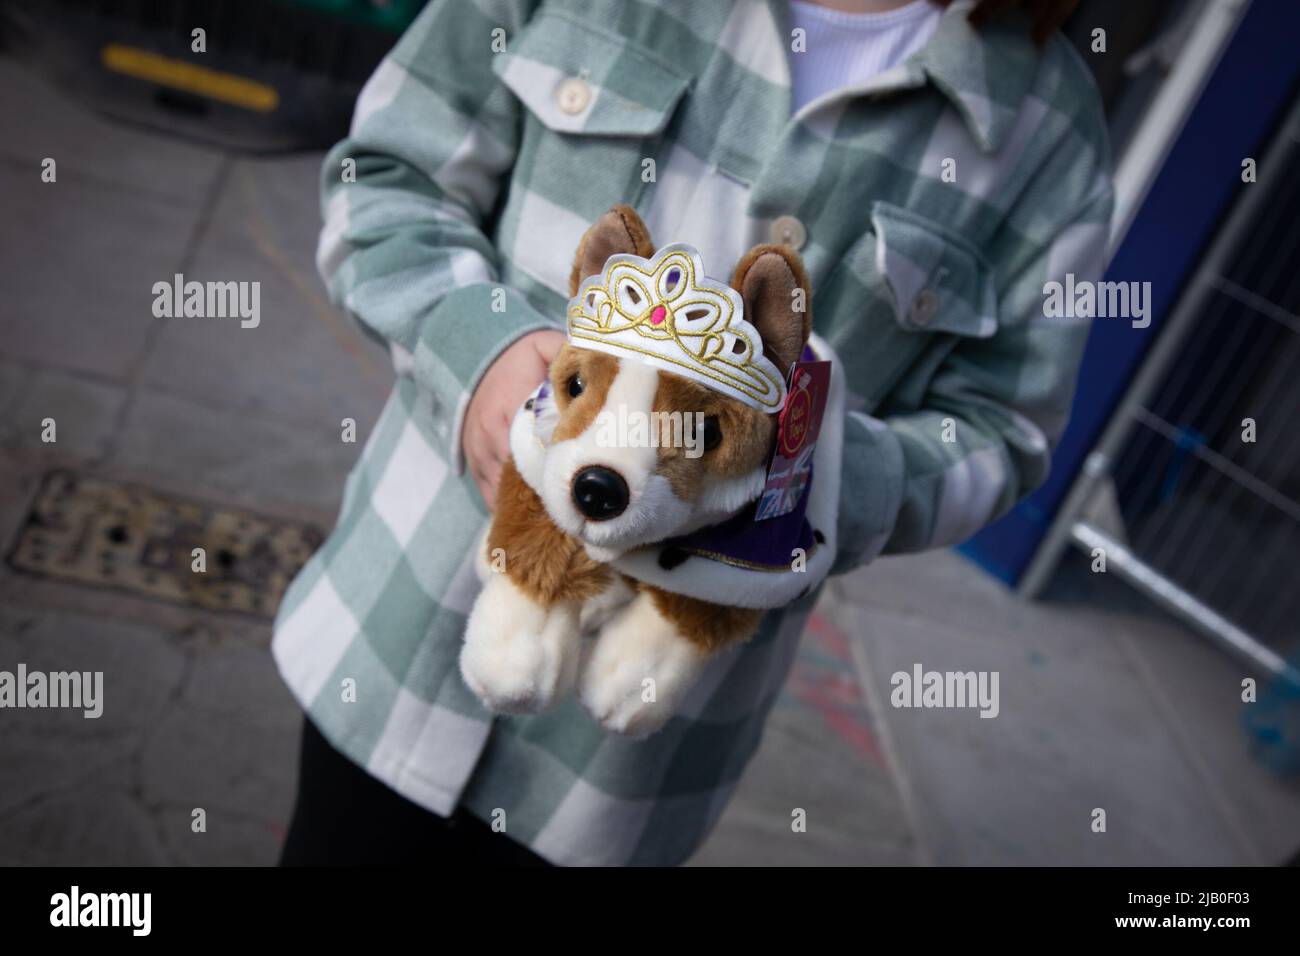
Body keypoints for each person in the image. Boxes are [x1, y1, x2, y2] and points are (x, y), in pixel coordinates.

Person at [274, 0, 1109, 866]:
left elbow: (1000, 428)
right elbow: (388, 172)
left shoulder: (1049, 134)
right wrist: (478, 355)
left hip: (627, 773)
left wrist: (797, 484)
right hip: (394, 640)